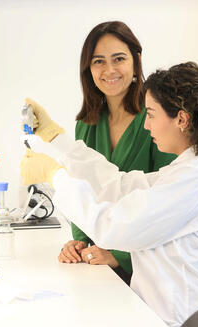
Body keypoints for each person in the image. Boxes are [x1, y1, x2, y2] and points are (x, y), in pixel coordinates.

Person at [20, 62, 198, 327]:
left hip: (184, 318)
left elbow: (116, 227)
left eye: (152, 114)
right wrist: (55, 138)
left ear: (181, 119)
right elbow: (118, 185)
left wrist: (56, 177)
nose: (146, 125)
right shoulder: (190, 169)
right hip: (168, 312)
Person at [26, 21, 175, 285]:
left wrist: (119, 255)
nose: (109, 70)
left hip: (146, 264)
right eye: (98, 61)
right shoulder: (88, 124)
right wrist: (79, 242)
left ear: (136, 61)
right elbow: (86, 186)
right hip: (98, 263)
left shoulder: (156, 120)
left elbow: (166, 201)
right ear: (88, 69)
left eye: (118, 59)